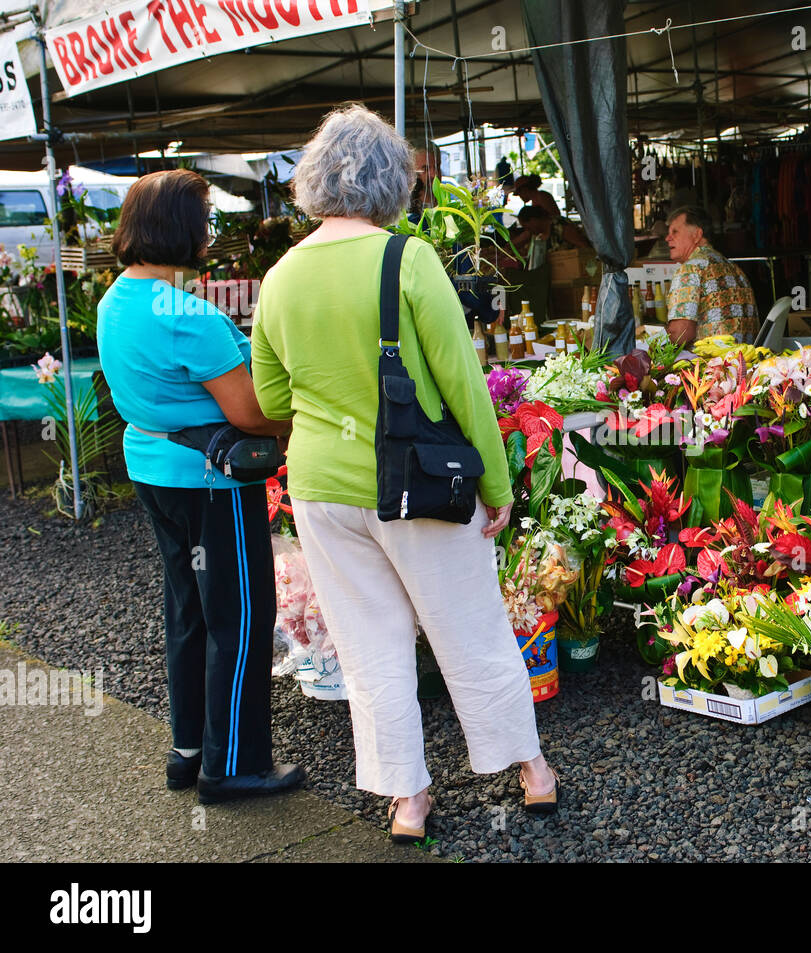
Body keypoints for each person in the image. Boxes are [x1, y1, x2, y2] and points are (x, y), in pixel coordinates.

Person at [251, 105, 559, 843]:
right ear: (395, 182)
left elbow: (270, 398)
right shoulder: (408, 259)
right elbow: (463, 384)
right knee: (471, 629)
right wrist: (498, 485)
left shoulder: (282, 274)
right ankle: (531, 771)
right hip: (417, 481)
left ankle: (408, 800)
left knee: (369, 648)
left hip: (323, 488)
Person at [96, 170, 303, 804]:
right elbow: (248, 413)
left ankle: (188, 749)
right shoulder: (190, 315)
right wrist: (301, 417)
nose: (209, 233)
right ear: (183, 230)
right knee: (238, 617)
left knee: (187, 610)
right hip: (212, 481)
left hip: (153, 470)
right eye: (204, 221)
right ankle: (232, 764)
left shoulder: (117, 300)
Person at [663, 205, 759, 348]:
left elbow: (680, 333)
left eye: (675, 232)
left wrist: (648, 344)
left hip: (712, 364)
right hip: (745, 359)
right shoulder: (732, 267)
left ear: (697, 235)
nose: (667, 238)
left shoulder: (691, 268)